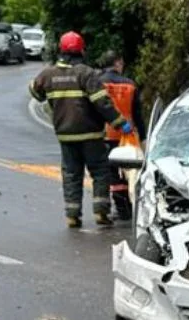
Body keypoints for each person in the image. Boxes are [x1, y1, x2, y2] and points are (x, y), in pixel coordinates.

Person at [29, 32, 130, 228]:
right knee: (100, 172)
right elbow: (102, 103)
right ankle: (101, 212)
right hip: (91, 134)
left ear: (61, 50)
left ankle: (72, 216)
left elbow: (34, 91)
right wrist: (120, 123)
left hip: (65, 134)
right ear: (81, 51)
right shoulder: (87, 73)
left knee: (71, 174)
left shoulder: (49, 74)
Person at [99, 50, 145, 221]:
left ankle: (118, 208)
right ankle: (128, 206)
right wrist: (143, 135)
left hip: (104, 133)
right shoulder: (130, 85)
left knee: (110, 173)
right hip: (127, 135)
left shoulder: (97, 83)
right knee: (128, 172)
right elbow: (137, 113)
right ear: (118, 63)